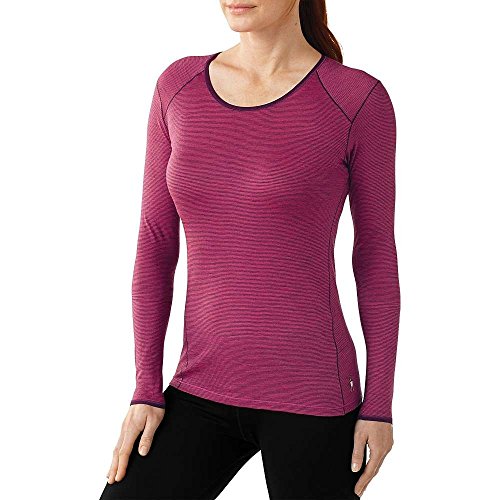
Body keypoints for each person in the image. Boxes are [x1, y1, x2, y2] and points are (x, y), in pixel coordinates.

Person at [99, 1, 400, 498]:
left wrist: (379, 406)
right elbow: (155, 243)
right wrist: (146, 388)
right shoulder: (178, 86)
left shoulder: (355, 99)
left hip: (313, 393)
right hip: (199, 386)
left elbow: (375, 257)